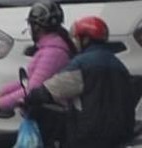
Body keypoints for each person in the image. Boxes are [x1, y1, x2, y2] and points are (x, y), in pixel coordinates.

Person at [21, 16, 138, 148]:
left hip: (89, 134)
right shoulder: (118, 65)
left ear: (85, 39)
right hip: (121, 133)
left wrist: (32, 96)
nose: (74, 42)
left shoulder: (82, 64)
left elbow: (53, 89)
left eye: (76, 38)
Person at [0, 1, 75, 123]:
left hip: (50, 121)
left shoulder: (53, 54)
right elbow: (27, 83)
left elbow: (32, 90)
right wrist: (0, 93)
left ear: (37, 27)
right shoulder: (48, 49)